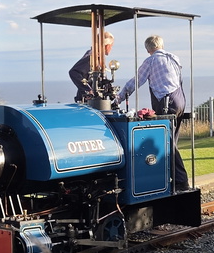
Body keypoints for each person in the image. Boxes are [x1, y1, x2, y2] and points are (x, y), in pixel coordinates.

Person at [113, 35, 191, 191]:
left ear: (148, 49)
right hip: (180, 100)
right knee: (172, 143)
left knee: (167, 144)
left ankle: (181, 181)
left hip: (166, 102)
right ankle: (173, 179)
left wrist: (117, 100)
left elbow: (135, 82)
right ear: (161, 45)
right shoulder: (174, 57)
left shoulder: (151, 61)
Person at [69, 31, 114, 103]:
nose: (111, 48)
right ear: (107, 46)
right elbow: (73, 72)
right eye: (111, 46)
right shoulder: (91, 57)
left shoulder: (98, 58)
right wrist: (88, 90)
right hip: (87, 102)